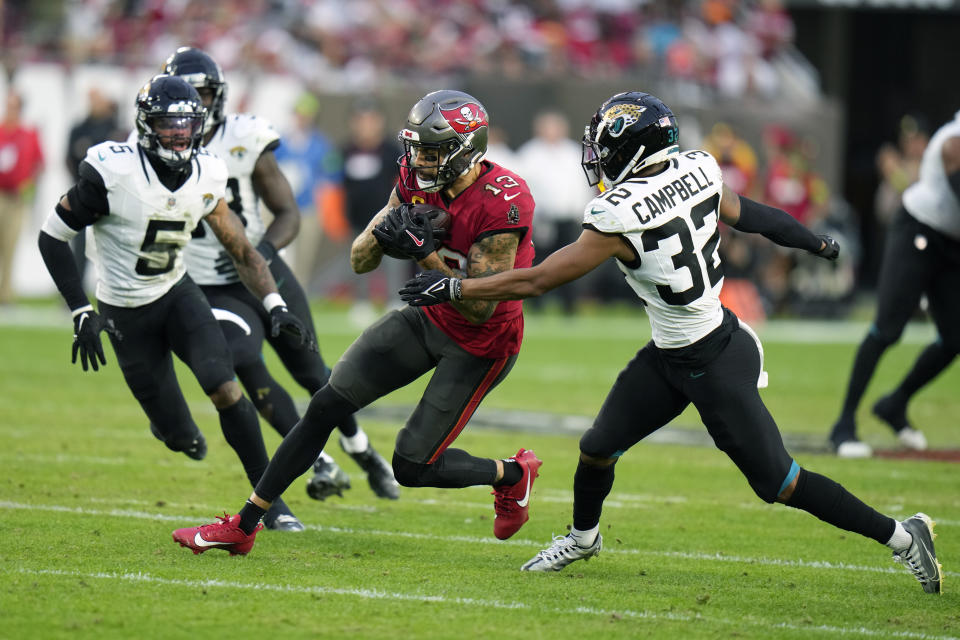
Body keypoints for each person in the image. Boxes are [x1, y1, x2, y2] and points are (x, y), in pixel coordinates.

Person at [399, 91, 943, 595]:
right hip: (673, 353)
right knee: (596, 447)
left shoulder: (618, 214)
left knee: (780, 482)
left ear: (633, 151)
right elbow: (753, 216)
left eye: (606, 149)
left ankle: (902, 534)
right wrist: (815, 241)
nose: (599, 160)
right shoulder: (698, 168)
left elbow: (540, 279)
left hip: (714, 360)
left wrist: (456, 285)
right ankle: (584, 540)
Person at [172, 89, 542, 555]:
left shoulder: (502, 200)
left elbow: (478, 306)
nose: (419, 162)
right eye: (416, 149)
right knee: (326, 405)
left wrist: (424, 252)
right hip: (427, 317)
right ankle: (244, 526)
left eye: (430, 152)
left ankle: (512, 473)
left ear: (465, 149)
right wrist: (389, 232)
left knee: (411, 466)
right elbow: (360, 259)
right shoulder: (414, 176)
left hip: (480, 342)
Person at [38, 74, 313, 532]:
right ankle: (170, 427)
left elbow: (241, 248)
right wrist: (79, 308)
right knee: (183, 438)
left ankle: (270, 503)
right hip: (124, 310)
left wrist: (274, 303)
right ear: (146, 126)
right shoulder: (112, 170)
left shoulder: (207, 171)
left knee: (225, 387)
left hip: (177, 294)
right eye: (169, 125)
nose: (180, 134)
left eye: (187, 124)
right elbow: (52, 236)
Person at [162, 47, 397, 511]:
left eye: (203, 94)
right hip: (207, 281)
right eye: (186, 97)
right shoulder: (153, 147)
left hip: (260, 268)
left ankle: (362, 449)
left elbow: (288, 212)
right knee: (244, 362)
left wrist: (259, 257)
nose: (196, 106)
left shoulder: (244, 137)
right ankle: (319, 460)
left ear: (219, 96)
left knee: (314, 372)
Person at [828, 110, 960, 458]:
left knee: (955, 338)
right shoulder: (953, 141)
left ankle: (895, 403)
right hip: (918, 230)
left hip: (952, 242)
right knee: (887, 329)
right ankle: (843, 425)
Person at [515, 109, 596, 314]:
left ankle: (569, 305)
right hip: (541, 218)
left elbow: (583, 185)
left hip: (568, 217)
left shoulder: (572, 153)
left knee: (571, 261)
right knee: (538, 261)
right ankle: (537, 304)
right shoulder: (530, 154)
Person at [340, 97, 404, 325]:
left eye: (370, 120)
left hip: (390, 219)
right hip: (358, 219)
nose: (366, 125)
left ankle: (395, 299)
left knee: (394, 260)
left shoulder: (391, 150)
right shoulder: (346, 150)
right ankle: (362, 301)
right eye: (361, 120)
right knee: (360, 258)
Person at [65, 88, 122, 284]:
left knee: (112, 247)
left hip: (111, 197)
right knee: (79, 245)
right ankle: (75, 289)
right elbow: (69, 159)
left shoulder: (116, 129)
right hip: (84, 195)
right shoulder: (79, 128)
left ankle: (111, 291)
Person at [0, 91, 44, 305]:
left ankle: (5, 294)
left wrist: (29, 184)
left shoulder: (28, 134)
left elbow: (39, 163)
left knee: (10, 245)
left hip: (16, 198)